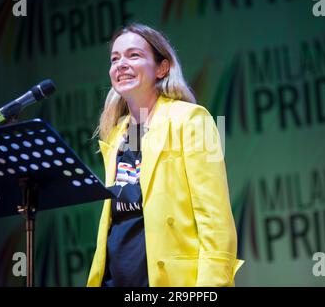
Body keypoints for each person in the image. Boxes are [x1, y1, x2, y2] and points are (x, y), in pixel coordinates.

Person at [87, 23, 244, 287]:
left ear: (162, 68)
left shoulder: (193, 119)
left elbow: (216, 223)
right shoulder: (117, 136)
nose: (121, 64)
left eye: (133, 55)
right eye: (115, 59)